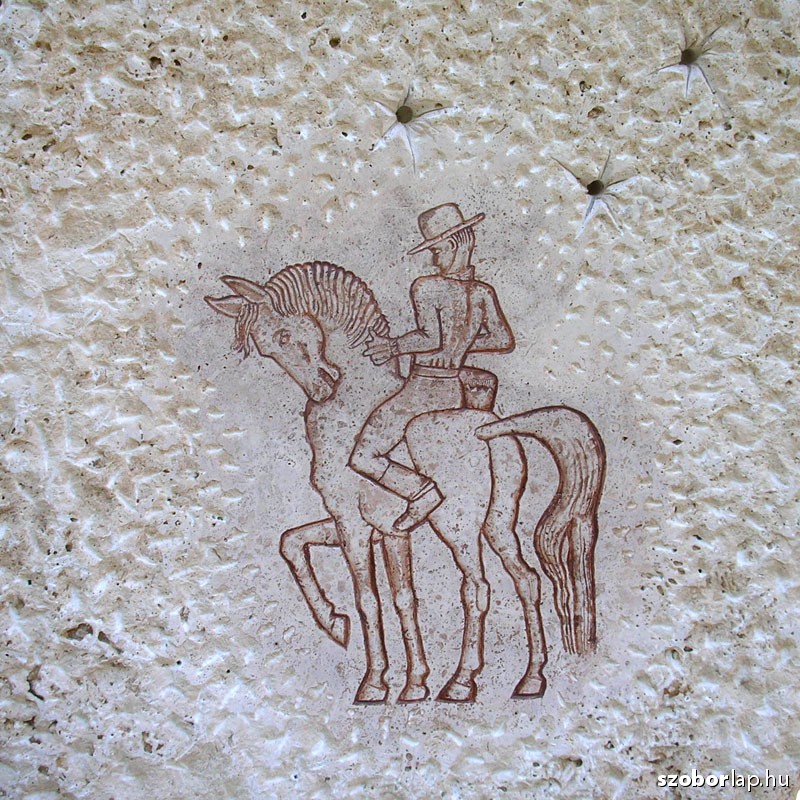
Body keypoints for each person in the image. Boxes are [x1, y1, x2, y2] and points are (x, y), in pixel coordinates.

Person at [349, 202, 515, 533]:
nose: (435, 260)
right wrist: (459, 346)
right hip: (453, 390)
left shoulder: (427, 286)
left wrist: (393, 347)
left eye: (437, 251)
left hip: (422, 391)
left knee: (363, 456)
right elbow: (502, 339)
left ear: (454, 244)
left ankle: (421, 493)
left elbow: (429, 337)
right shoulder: (482, 292)